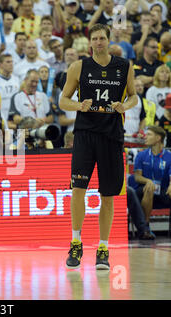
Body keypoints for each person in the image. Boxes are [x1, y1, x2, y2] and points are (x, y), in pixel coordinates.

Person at [59, 24, 138, 270]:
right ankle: (76, 242)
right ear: (90, 42)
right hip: (85, 135)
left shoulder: (124, 66)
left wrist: (125, 106)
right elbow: (63, 100)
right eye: (94, 38)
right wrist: (78, 106)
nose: (99, 42)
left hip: (112, 135)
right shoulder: (78, 67)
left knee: (108, 195)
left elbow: (133, 95)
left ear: (108, 39)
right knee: (78, 190)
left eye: (102, 38)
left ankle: (103, 248)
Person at [133, 126, 171, 229]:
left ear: (158, 138)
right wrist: (148, 181)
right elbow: (137, 177)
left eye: (149, 134)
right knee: (150, 188)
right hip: (143, 190)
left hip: (162, 191)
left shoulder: (169, 156)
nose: (145, 137)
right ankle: (145, 227)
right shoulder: (141, 155)